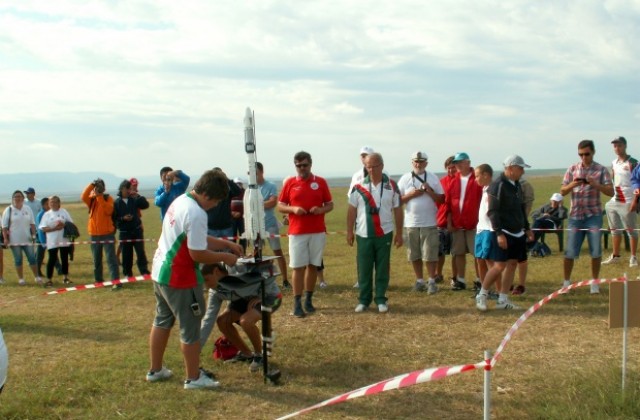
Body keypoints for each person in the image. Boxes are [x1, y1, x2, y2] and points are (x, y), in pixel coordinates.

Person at [147, 168, 242, 390]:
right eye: (218, 201)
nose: (217, 205)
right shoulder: (197, 212)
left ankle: (156, 369)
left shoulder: (181, 200)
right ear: (208, 195)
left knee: (162, 321)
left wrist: (226, 243)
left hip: (160, 272)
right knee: (190, 327)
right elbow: (197, 253)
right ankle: (193, 377)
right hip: (180, 277)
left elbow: (195, 236)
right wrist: (225, 257)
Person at [278, 151, 334, 318]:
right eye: (298, 165)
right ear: (295, 165)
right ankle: (297, 303)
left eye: (305, 165)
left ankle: (309, 300)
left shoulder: (320, 182)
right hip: (297, 232)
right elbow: (281, 206)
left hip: (317, 230)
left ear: (311, 164)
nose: (302, 168)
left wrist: (320, 209)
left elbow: (330, 204)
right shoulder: (290, 183)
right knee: (298, 267)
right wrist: (293, 209)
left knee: (313, 265)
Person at [476, 155, 534, 311]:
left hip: (517, 232)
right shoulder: (497, 185)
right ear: (510, 168)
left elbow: (521, 208)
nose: (522, 171)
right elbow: (492, 211)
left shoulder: (517, 185)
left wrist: (527, 227)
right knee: (499, 265)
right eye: (520, 168)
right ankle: (482, 294)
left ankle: (503, 300)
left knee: (513, 264)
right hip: (504, 231)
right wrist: (499, 233)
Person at [347, 152, 403, 313]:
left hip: (384, 233)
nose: (370, 170)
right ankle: (364, 300)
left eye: (374, 166)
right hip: (363, 234)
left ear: (382, 166)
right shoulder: (358, 186)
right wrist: (349, 232)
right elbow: (351, 211)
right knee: (364, 268)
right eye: (367, 166)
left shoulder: (392, 185)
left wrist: (399, 233)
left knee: (382, 267)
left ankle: (381, 299)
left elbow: (398, 210)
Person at [560, 140, 613, 294]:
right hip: (575, 216)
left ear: (593, 152)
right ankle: (566, 283)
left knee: (596, 250)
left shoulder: (601, 170)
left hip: (593, 216)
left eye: (587, 154)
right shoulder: (572, 169)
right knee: (569, 251)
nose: (583, 157)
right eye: (580, 154)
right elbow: (562, 191)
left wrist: (595, 184)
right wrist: (573, 185)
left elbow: (611, 192)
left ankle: (594, 283)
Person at [209, 263, 282, 372]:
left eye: (206, 280)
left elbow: (270, 270)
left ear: (216, 271)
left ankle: (259, 356)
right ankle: (247, 354)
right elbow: (208, 317)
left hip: (269, 297)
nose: (205, 285)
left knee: (246, 321)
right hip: (243, 300)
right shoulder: (214, 290)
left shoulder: (237, 265)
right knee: (222, 321)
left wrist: (261, 295)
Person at [397, 151, 444, 294]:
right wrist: (411, 195)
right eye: (416, 162)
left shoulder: (433, 177)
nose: (418, 164)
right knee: (414, 254)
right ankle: (419, 281)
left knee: (430, 254)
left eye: (421, 162)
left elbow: (441, 199)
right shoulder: (405, 178)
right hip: (410, 223)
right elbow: (397, 200)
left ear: (426, 163)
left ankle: (431, 281)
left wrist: (429, 190)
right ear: (412, 163)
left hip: (429, 222)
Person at [445, 152, 483, 291]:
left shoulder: (477, 179)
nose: (458, 165)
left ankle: (480, 281)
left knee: (478, 254)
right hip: (457, 225)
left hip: (475, 225)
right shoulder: (453, 181)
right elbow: (448, 204)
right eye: (456, 163)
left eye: (461, 162)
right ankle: (460, 280)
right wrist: (449, 223)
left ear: (468, 162)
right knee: (458, 253)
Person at [603, 136, 638, 267]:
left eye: (619, 145)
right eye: (615, 146)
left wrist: (636, 201)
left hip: (628, 200)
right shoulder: (614, 163)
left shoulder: (633, 162)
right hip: (615, 200)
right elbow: (613, 180)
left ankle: (633, 257)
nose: (617, 148)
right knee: (614, 229)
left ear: (625, 146)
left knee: (631, 230)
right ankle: (615, 255)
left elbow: (637, 182)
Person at [256, 162, 290, 289]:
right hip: (256, 226)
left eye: (256, 173)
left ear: (261, 172)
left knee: (277, 251)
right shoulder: (250, 188)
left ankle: (285, 280)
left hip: (270, 224)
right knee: (256, 253)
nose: (253, 176)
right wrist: (263, 202)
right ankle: (258, 281)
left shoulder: (270, 185)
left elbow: (272, 203)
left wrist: (257, 204)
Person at [81, 178, 120, 284]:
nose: (99, 189)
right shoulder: (91, 199)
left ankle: (115, 281)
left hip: (107, 233)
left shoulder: (108, 198)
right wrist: (92, 184)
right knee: (96, 259)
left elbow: (108, 211)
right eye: (97, 187)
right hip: (94, 234)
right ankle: (98, 280)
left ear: (104, 189)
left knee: (111, 259)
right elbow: (83, 196)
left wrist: (100, 197)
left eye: (100, 187)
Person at [114, 179, 150, 289]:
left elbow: (145, 205)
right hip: (125, 232)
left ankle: (144, 271)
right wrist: (123, 218)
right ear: (121, 189)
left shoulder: (134, 199)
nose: (129, 190)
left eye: (130, 188)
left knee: (140, 252)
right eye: (127, 188)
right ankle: (127, 273)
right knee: (126, 254)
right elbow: (114, 219)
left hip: (137, 230)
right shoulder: (117, 202)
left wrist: (138, 196)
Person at [1, 190, 42, 285]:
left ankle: (37, 277)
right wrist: (6, 239)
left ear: (23, 198)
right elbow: (4, 227)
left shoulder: (27, 208)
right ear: (12, 199)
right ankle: (21, 279)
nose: (18, 198)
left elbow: (32, 223)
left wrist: (33, 235)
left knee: (32, 258)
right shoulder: (9, 210)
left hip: (27, 239)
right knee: (18, 259)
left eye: (20, 196)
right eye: (15, 197)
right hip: (14, 240)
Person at [349, 146, 375, 289]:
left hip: (378, 219)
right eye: (362, 156)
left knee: (379, 252)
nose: (364, 158)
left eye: (367, 155)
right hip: (361, 219)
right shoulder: (357, 176)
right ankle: (362, 279)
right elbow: (351, 196)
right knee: (362, 252)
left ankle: (379, 279)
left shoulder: (384, 174)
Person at [38, 196, 74, 287]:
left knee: (64, 258)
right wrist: (54, 228)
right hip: (52, 240)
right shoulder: (47, 214)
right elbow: (43, 228)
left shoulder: (64, 212)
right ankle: (49, 279)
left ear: (59, 203)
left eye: (55, 202)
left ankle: (65, 277)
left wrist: (64, 224)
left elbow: (71, 223)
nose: (53, 204)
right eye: (51, 202)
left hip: (63, 239)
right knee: (52, 259)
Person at [435, 156, 458, 283]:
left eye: (453, 168)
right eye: (448, 168)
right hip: (441, 221)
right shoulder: (441, 182)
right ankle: (438, 274)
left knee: (456, 252)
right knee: (439, 251)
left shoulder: (461, 182)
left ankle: (455, 277)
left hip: (456, 223)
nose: (451, 171)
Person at [512, 178, 535, 296]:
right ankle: (508, 284)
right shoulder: (501, 185)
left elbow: (525, 207)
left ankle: (521, 285)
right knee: (506, 259)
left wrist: (525, 227)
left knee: (521, 258)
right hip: (505, 228)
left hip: (519, 227)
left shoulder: (525, 185)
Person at [473, 164, 494, 290]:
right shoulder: (484, 189)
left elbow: (493, 211)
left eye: (477, 176)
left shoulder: (493, 189)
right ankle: (484, 290)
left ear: (485, 175)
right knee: (480, 260)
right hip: (480, 229)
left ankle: (497, 290)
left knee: (490, 262)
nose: (475, 179)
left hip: (489, 230)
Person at [230, 177, 247, 253]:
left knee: (243, 236)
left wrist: (241, 213)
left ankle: (242, 252)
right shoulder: (230, 192)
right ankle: (233, 252)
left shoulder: (246, 192)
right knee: (232, 236)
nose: (238, 185)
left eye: (240, 183)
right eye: (236, 183)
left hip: (242, 218)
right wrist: (232, 213)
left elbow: (247, 205)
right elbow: (226, 205)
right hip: (231, 218)